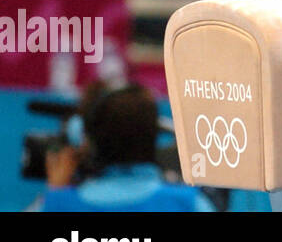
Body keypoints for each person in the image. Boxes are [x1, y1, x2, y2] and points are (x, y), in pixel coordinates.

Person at [37, 84, 216, 212]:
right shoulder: (189, 205)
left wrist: (54, 192)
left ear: (92, 143)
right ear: (153, 137)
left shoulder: (56, 204)